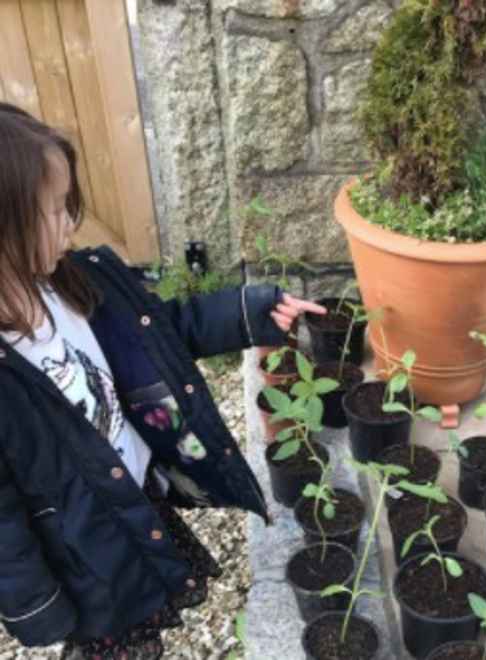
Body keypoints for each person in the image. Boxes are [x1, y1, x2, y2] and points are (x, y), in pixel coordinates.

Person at [0, 103, 325, 659]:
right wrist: (35, 604)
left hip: (137, 498)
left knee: (151, 612)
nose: (70, 224)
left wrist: (252, 313)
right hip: (88, 556)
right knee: (120, 638)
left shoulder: (76, 282)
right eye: (54, 212)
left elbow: (166, 329)